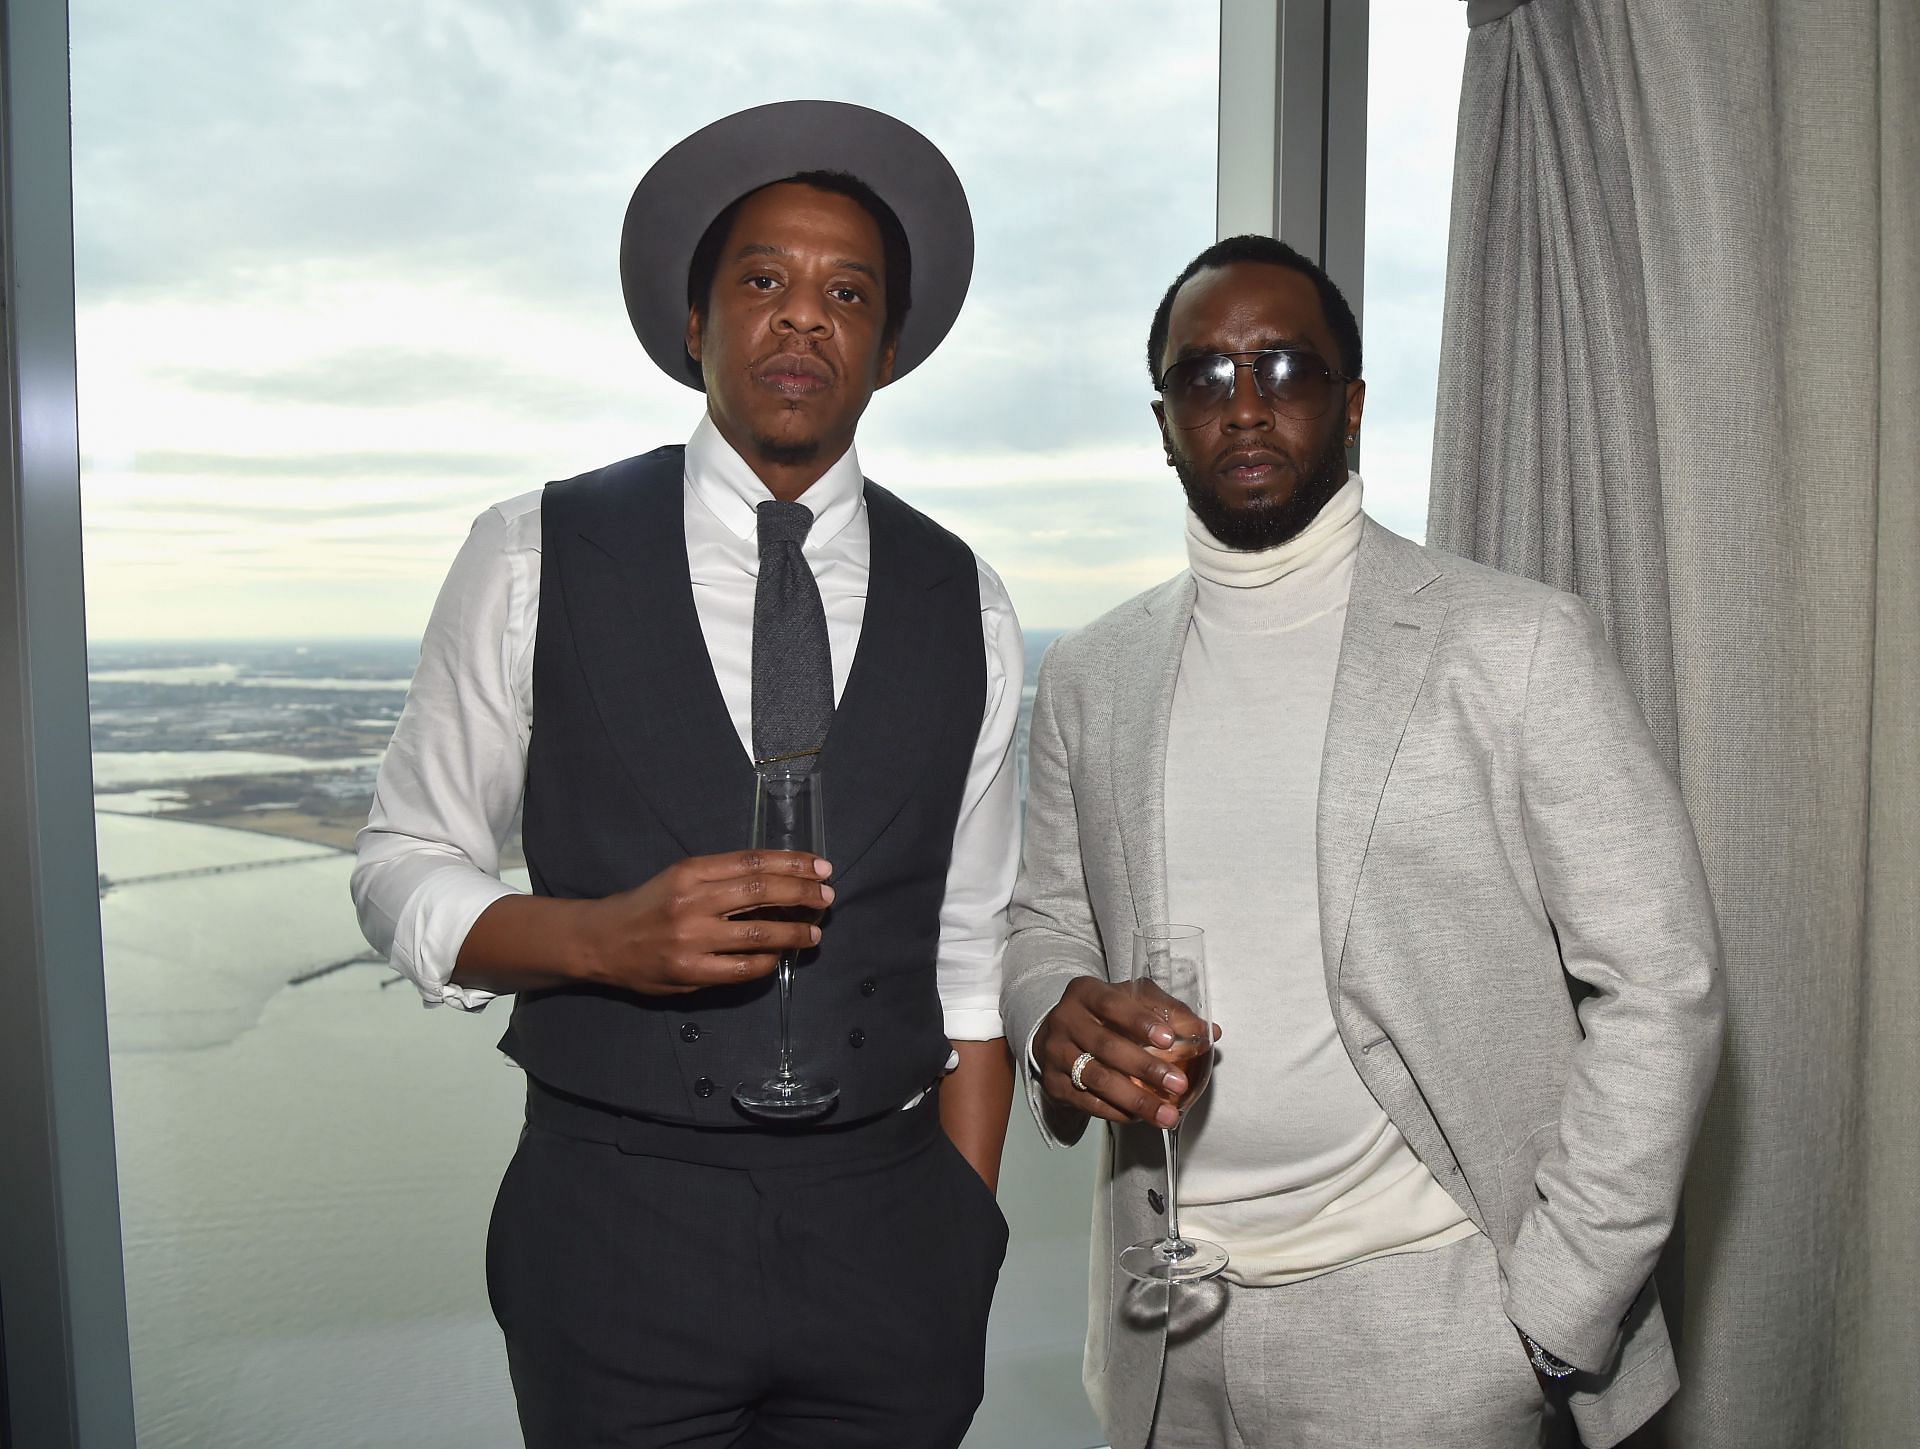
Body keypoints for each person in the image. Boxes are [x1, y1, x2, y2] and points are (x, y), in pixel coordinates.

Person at [352, 100, 1019, 1449]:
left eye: (847, 293)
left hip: (893, 1243)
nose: (801, 319)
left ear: (887, 349)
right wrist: (596, 939)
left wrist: (963, 1231)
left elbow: (970, 950)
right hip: (614, 1227)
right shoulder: (535, 553)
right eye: (761, 280)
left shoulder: (972, 600)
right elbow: (401, 863)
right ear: (692, 325)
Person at [1001, 234, 1724, 1449]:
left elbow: (1664, 983)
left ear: (1351, 403)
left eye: (1284, 366)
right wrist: (1052, 1015)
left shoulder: (1514, 645)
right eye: (1204, 376)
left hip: (1430, 1331)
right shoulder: (1091, 674)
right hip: (1163, 1330)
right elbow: (1045, 921)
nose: (1244, 404)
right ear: (1163, 420)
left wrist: (1556, 1308)